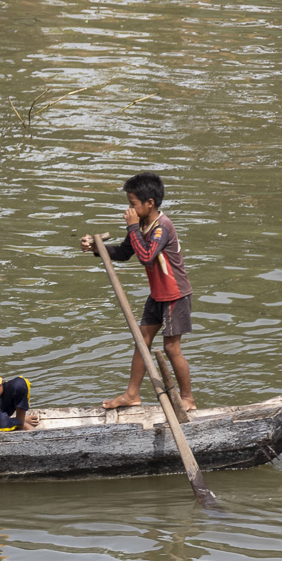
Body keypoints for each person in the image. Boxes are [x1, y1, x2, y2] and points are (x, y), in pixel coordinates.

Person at [79, 171, 197, 411]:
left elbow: (145, 256)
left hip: (176, 295)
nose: (129, 210)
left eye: (133, 204)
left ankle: (188, 399)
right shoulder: (141, 224)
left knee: (171, 347)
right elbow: (124, 253)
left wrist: (132, 227)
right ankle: (132, 394)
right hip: (157, 294)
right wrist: (96, 247)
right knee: (141, 342)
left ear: (149, 203)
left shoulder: (161, 228)